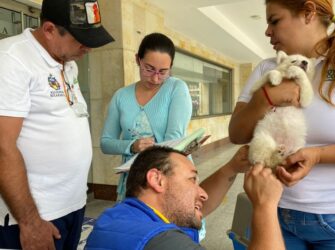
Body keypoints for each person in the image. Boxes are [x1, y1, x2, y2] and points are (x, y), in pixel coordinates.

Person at [229, 0, 335, 249]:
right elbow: (236, 133)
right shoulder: (267, 68)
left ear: (308, 12)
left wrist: (319, 155)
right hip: (275, 215)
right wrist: (264, 97)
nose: (267, 31)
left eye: (274, 20)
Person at [0, 0, 114, 249]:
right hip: (33, 215)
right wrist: (30, 223)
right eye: (80, 40)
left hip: (72, 204)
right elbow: (2, 146)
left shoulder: (67, 62)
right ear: (50, 29)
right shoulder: (11, 59)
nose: (88, 49)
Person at [85, 145, 285, 250]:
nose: (203, 193)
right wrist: (265, 206)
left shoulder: (118, 217)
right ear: (157, 180)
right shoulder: (163, 242)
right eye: (192, 180)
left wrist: (231, 168)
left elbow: (186, 209)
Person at [100, 32, 192, 201]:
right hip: (133, 180)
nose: (156, 78)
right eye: (149, 69)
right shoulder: (121, 96)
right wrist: (132, 146)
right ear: (137, 60)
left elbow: (174, 138)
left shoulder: (176, 88)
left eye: (163, 71)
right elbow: (106, 143)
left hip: (169, 177)